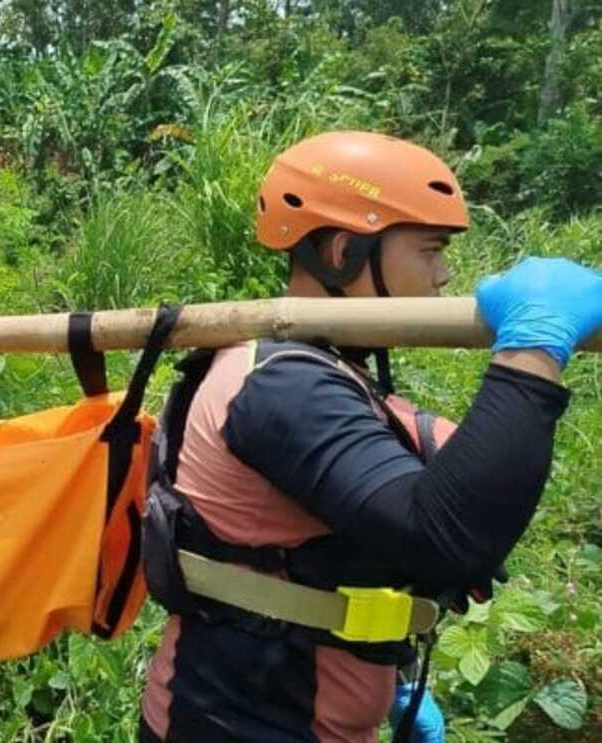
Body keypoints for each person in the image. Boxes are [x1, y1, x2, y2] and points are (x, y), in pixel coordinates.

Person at [138, 131, 602, 742]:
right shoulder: (285, 388)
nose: (443, 276)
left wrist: (393, 662)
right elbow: (442, 535)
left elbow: (348, 529)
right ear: (342, 253)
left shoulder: (320, 366)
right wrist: (534, 349)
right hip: (237, 724)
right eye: (429, 251)